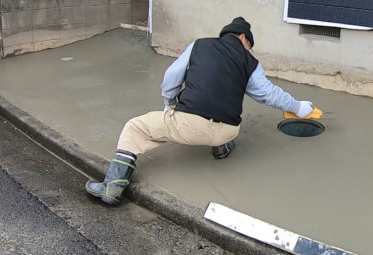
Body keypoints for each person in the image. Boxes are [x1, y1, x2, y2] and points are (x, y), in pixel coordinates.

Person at [85, 17, 319, 206]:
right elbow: (268, 93)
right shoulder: (250, 62)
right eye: (250, 44)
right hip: (229, 130)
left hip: (189, 125)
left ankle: (113, 185)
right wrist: (298, 107)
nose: (250, 50)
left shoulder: (200, 45)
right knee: (221, 116)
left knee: (135, 127)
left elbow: (171, 78)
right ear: (241, 37)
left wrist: (170, 105)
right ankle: (221, 147)